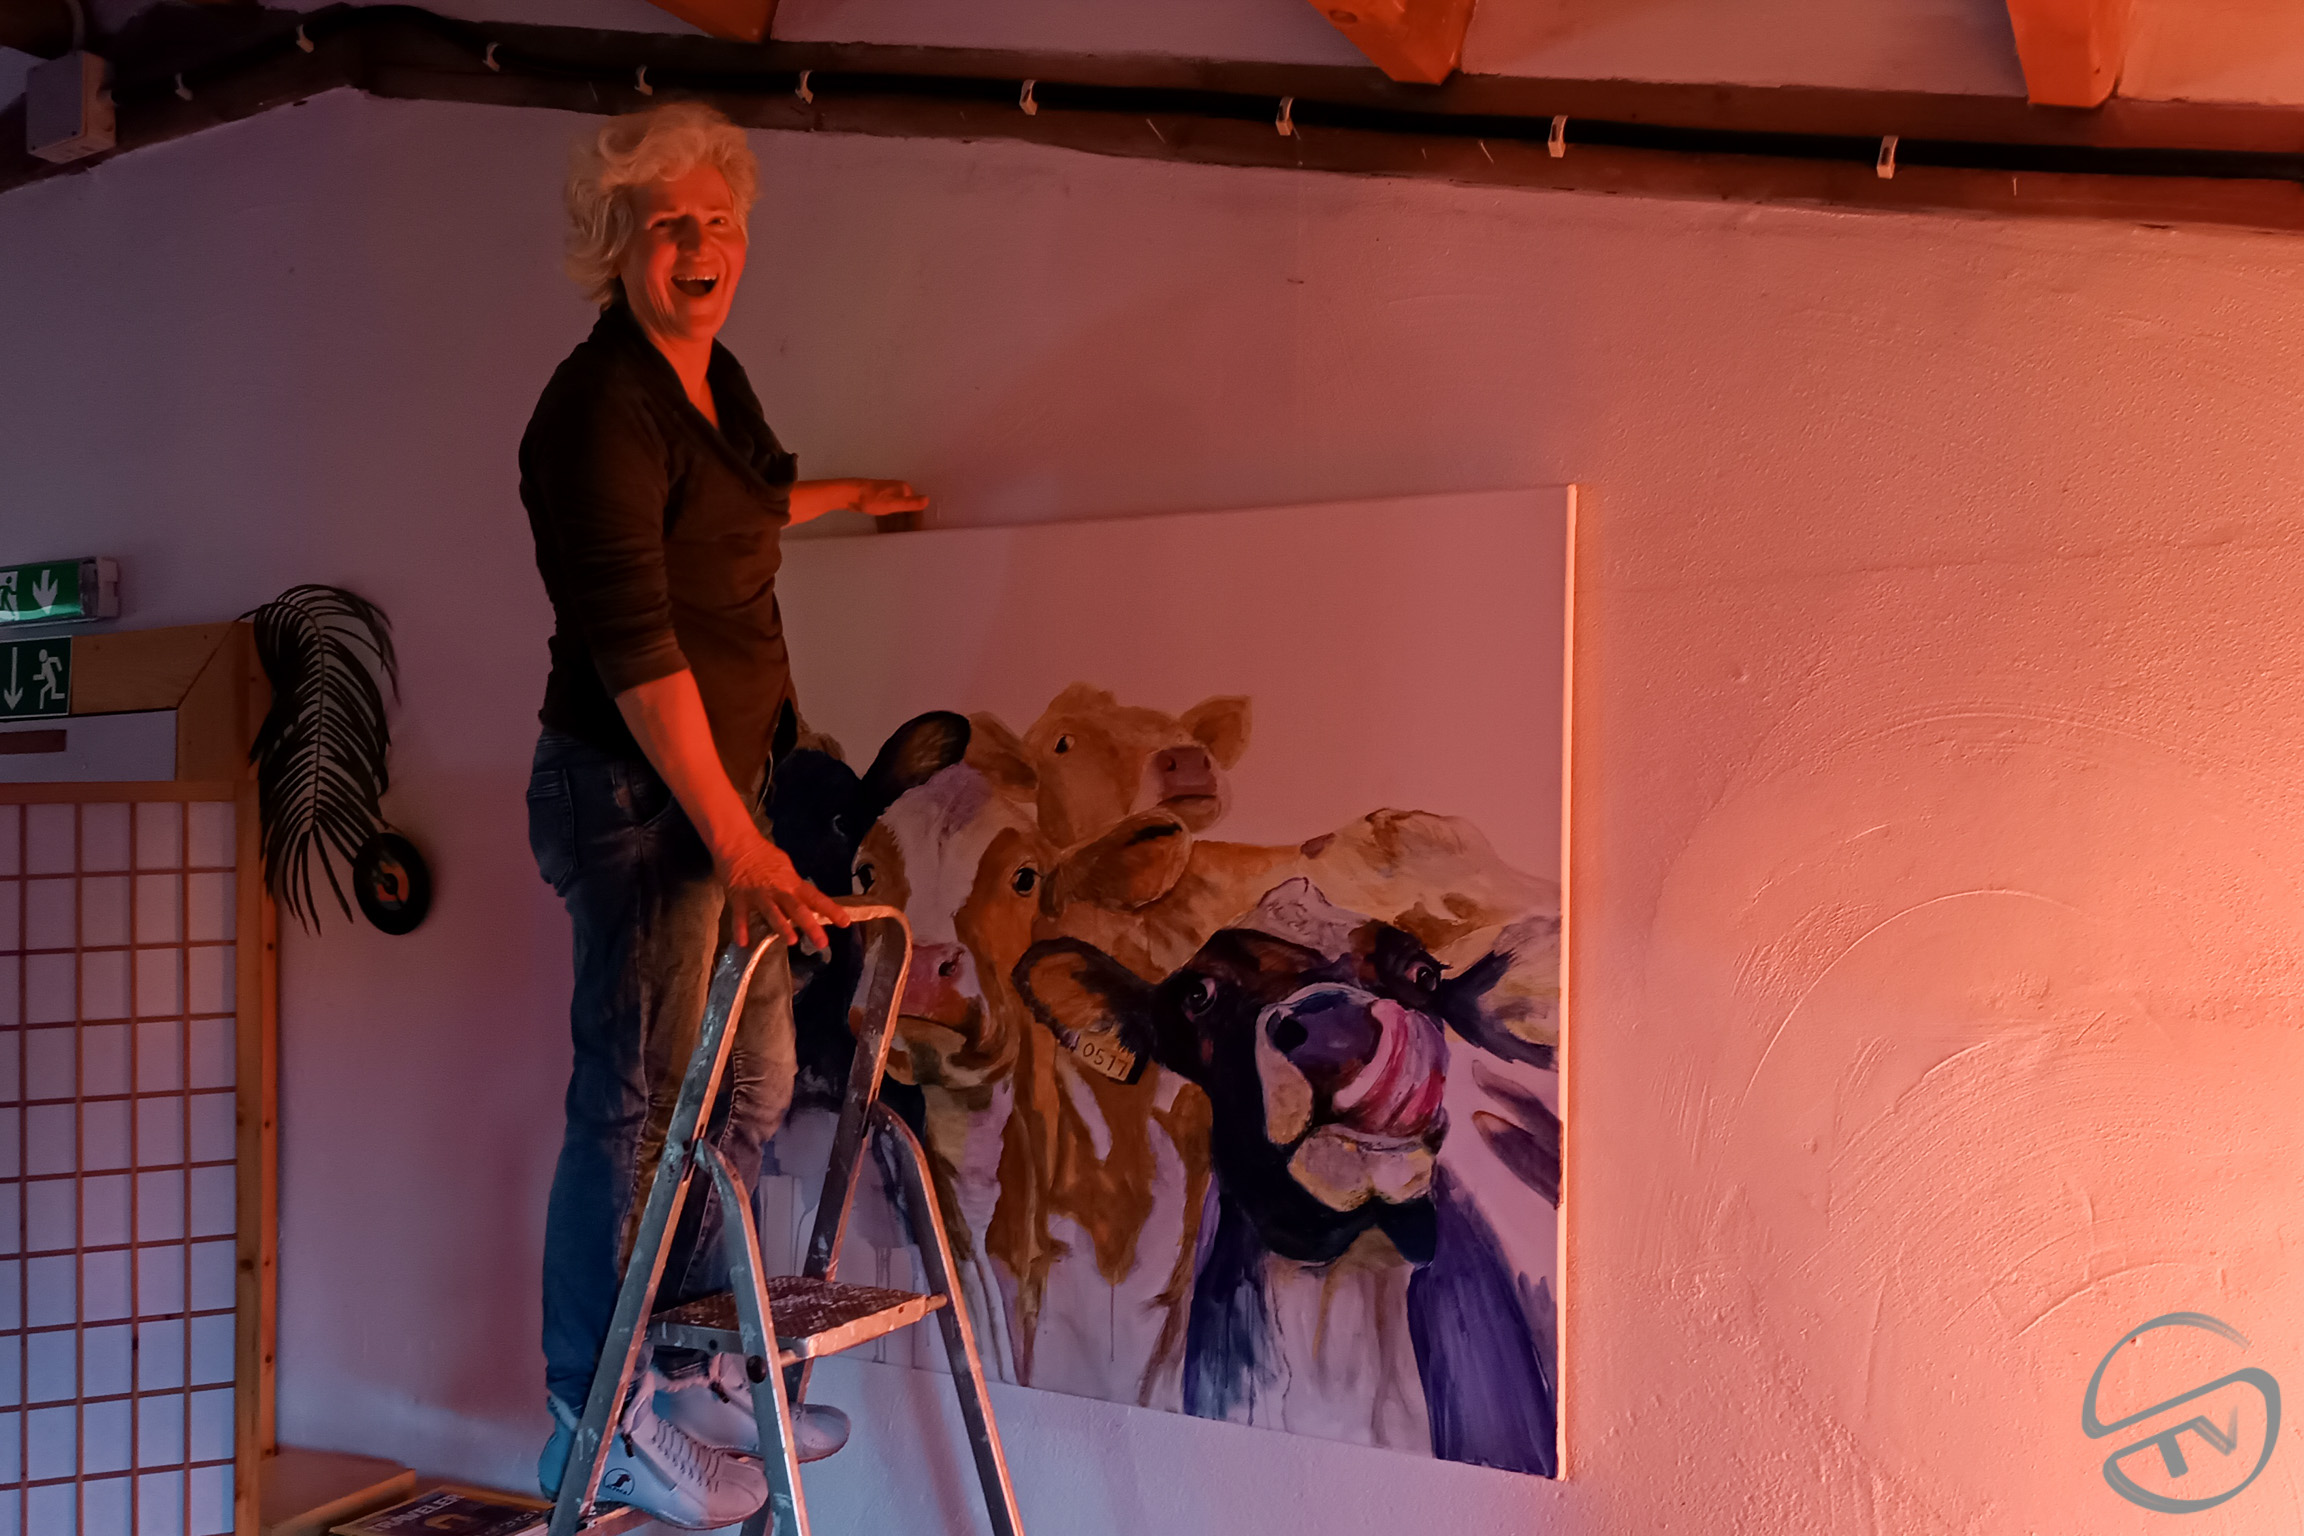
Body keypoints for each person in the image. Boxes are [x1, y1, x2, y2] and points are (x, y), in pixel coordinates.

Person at [518, 103, 927, 1530]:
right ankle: (601, 1417)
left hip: (723, 797)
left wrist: (850, 495)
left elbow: (737, 506)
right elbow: (640, 650)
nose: (701, 246)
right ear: (616, 243)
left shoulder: (714, 379)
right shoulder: (597, 411)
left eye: (720, 220)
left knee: (748, 1094)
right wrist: (739, 842)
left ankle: (687, 1366)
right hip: (638, 798)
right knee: (636, 1107)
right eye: (668, 224)